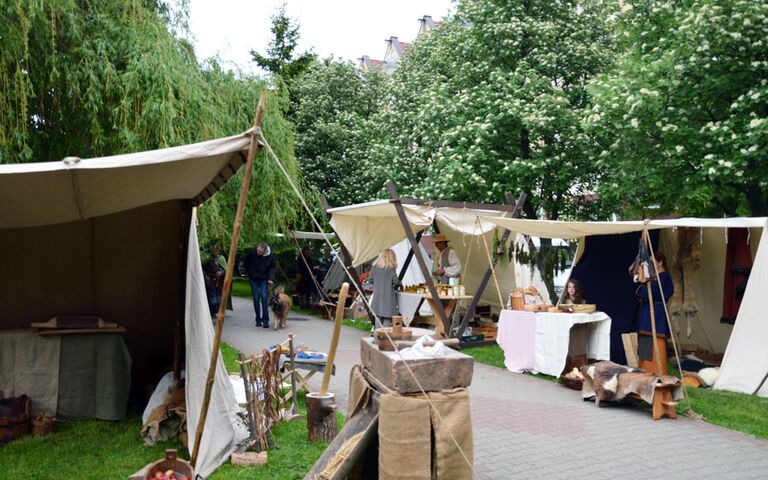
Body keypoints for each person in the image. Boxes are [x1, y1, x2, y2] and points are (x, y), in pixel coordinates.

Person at [635, 252, 674, 375]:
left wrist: (645, 287)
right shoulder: (653, 278)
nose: (650, 265)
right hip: (646, 313)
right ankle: (645, 371)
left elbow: (650, 293)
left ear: (660, 263)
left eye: (652, 262)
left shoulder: (665, 277)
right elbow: (640, 293)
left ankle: (656, 372)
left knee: (656, 341)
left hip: (657, 313)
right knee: (645, 342)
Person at [244, 242, 276, 328]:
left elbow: (272, 268)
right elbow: (246, 261)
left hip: (263, 278)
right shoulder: (252, 252)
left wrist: (271, 279)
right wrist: (249, 272)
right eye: (257, 250)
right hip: (253, 278)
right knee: (256, 298)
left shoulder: (270, 256)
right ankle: (258, 319)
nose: (258, 252)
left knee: (264, 297)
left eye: (260, 252)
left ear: (265, 251)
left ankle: (265, 321)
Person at [368, 249, 401, 329]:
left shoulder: (375, 268)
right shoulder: (391, 269)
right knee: (387, 320)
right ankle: (385, 339)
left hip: (377, 298)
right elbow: (396, 282)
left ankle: (377, 338)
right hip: (388, 299)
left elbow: (370, 280)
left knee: (377, 319)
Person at [202, 249, 225, 318]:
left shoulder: (220, 259)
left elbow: (224, 269)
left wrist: (221, 272)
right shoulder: (206, 260)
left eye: (217, 250)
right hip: (210, 281)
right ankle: (212, 312)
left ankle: (218, 312)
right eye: (214, 250)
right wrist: (207, 277)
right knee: (212, 298)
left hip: (218, 282)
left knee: (218, 297)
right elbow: (204, 270)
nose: (216, 252)